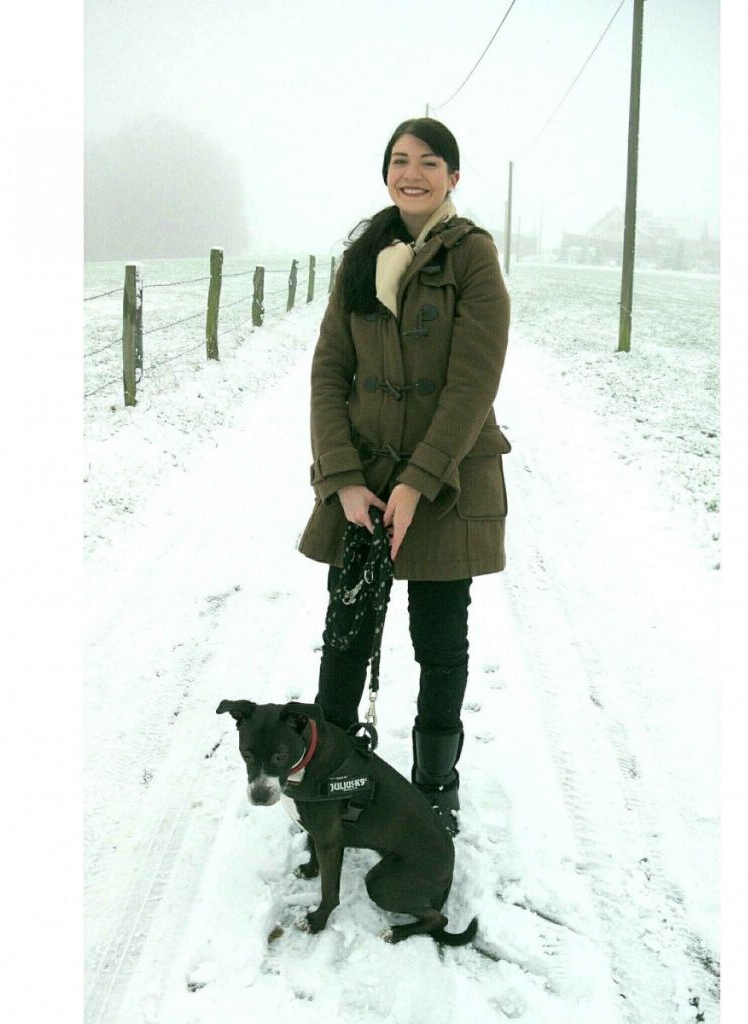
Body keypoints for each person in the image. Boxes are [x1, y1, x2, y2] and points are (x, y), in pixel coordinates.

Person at [297, 117, 511, 834]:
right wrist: (343, 479)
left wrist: (420, 481)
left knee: (441, 641)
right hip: (363, 482)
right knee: (346, 636)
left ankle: (433, 786)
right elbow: (330, 370)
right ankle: (333, 778)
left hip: (445, 483)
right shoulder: (362, 255)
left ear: (454, 175)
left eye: (428, 162)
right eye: (399, 160)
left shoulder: (474, 258)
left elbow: (471, 384)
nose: (411, 173)